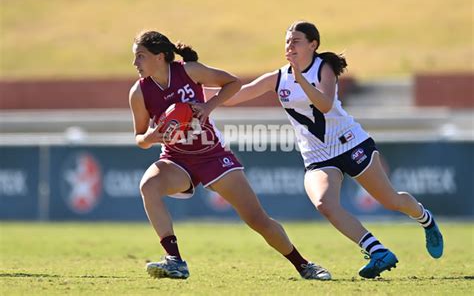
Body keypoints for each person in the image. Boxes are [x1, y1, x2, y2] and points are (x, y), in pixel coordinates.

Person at [208, 21, 444, 279]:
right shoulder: (279, 77)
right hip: (317, 156)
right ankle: (377, 251)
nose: (289, 46)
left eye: (295, 41)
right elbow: (233, 97)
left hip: (350, 143)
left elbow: (325, 105)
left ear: (313, 44)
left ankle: (425, 219)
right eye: (287, 41)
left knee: (390, 200)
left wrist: (300, 79)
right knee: (324, 204)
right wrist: (192, 90)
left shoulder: (324, 67)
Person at [128, 30, 331, 280]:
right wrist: (148, 138)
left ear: (159, 57)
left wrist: (208, 106)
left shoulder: (189, 71)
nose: (135, 63)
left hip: (212, 155)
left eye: (140, 56)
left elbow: (232, 82)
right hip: (176, 159)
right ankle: (175, 260)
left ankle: (304, 265)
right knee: (148, 185)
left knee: (257, 219)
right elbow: (139, 137)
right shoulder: (138, 92)